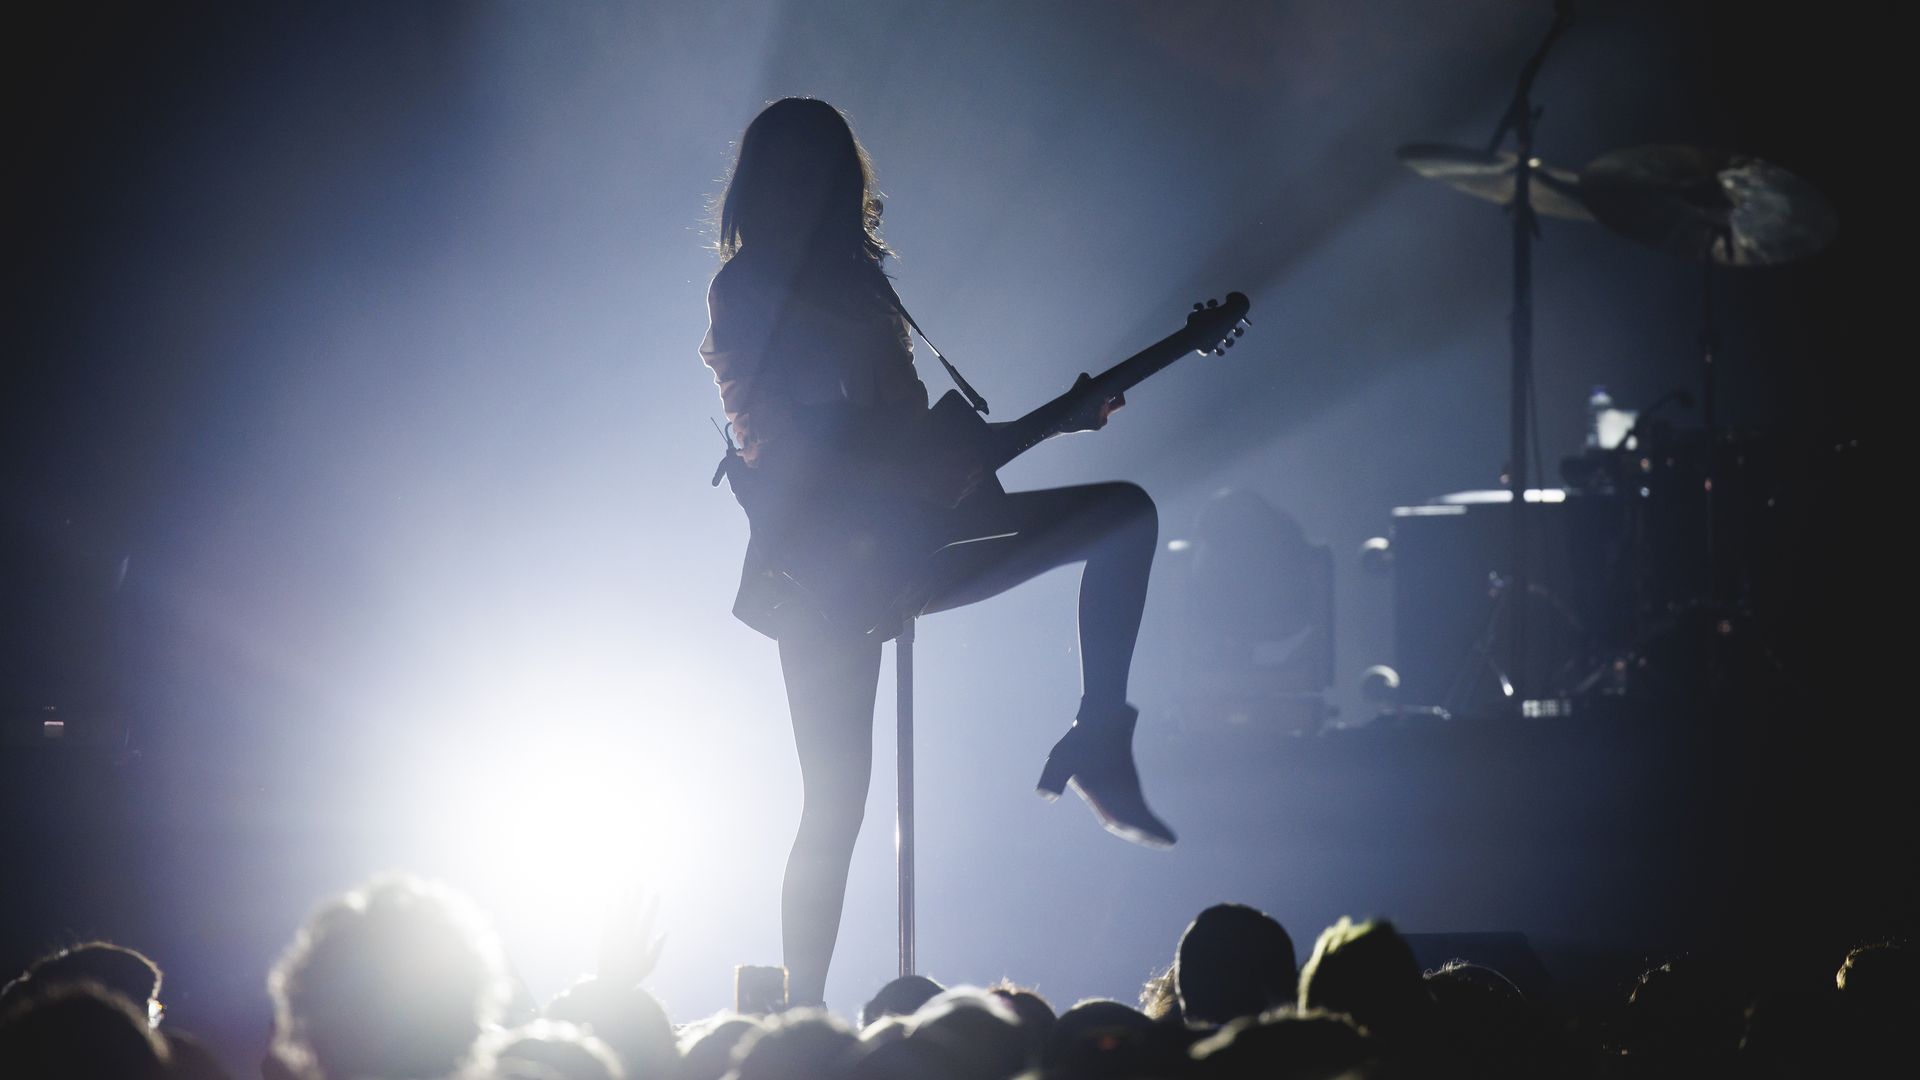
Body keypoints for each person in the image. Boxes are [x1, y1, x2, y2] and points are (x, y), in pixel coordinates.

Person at [701, 96, 1173, 1006]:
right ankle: (803, 1019)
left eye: (827, 174)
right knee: (835, 805)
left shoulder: (864, 282)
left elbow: (915, 431)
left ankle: (1100, 733)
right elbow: (793, 444)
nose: (814, 191)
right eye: (798, 172)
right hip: (817, 570)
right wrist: (959, 452)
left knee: (1123, 513)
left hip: (911, 534)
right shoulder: (748, 287)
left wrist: (1043, 429)